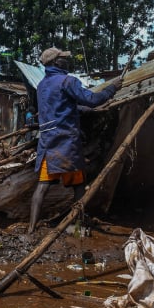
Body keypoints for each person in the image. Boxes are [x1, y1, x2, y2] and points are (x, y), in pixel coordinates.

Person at [28, 47, 122, 234]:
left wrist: (91, 110)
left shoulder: (42, 86)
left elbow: (64, 108)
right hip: (66, 144)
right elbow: (92, 99)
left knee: (42, 187)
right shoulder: (67, 81)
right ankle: (80, 224)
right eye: (63, 59)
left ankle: (31, 229)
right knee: (79, 185)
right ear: (55, 63)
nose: (67, 61)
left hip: (48, 144)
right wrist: (112, 88)